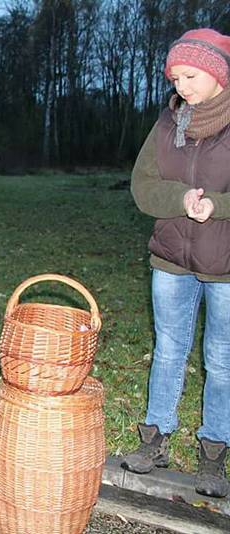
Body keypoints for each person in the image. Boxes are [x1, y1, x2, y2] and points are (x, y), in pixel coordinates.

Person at [124, 28, 230, 498]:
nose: (180, 85)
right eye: (175, 76)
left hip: (224, 264)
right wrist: (181, 198)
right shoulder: (169, 124)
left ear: (216, 73)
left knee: (221, 360)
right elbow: (142, 185)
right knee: (169, 350)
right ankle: (156, 440)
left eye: (189, 75)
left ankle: (212, 456)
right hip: (169, 259)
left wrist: (218, 206)